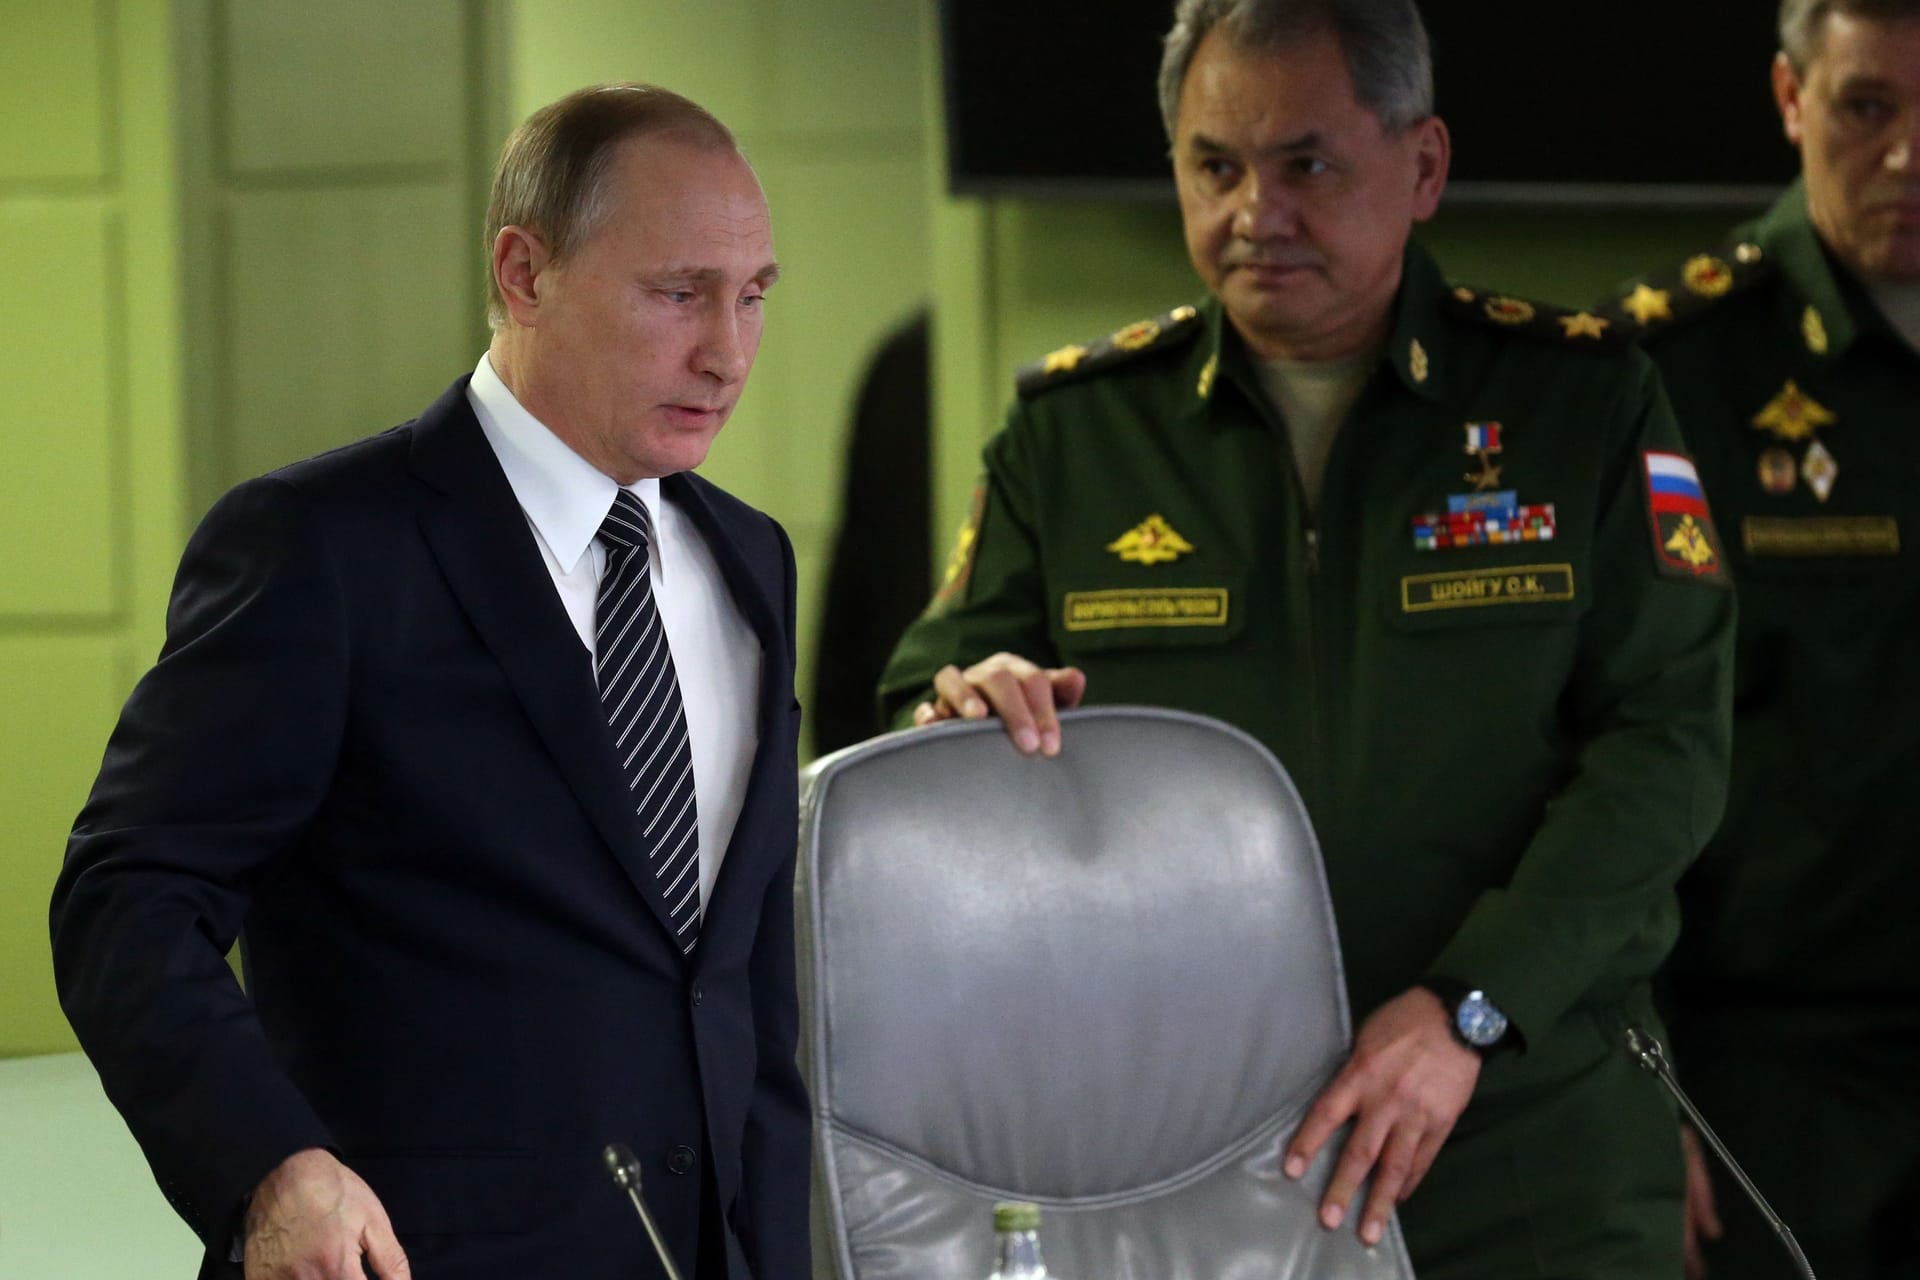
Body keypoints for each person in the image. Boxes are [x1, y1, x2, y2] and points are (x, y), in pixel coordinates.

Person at [879, 1, 1736, 1275]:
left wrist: (1469, 1006)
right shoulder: (1074, 439)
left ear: (1424, 166)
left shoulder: (1582, 405)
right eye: (1213, 165)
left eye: (1307, 165)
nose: (1254, 213)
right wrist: (956, 717)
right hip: (1190, 1152)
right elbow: (917, 715)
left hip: (1526, 1136)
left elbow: (1665, 749)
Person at [49, 84, 809, 1280]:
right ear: (524, 273)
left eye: (754, 296)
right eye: (678, 294)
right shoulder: (321, 546)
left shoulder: (750, 558)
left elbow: (737, 979)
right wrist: (269, 1166)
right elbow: (128, 899)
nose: (727, 351)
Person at [1600, 3, 1920, 1275]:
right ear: (1791, 100)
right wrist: (1643, 1076)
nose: (1909, 156)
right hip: (1777, 1081)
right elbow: (1603, 746)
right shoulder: (1676, 372)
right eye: (1867, 107)